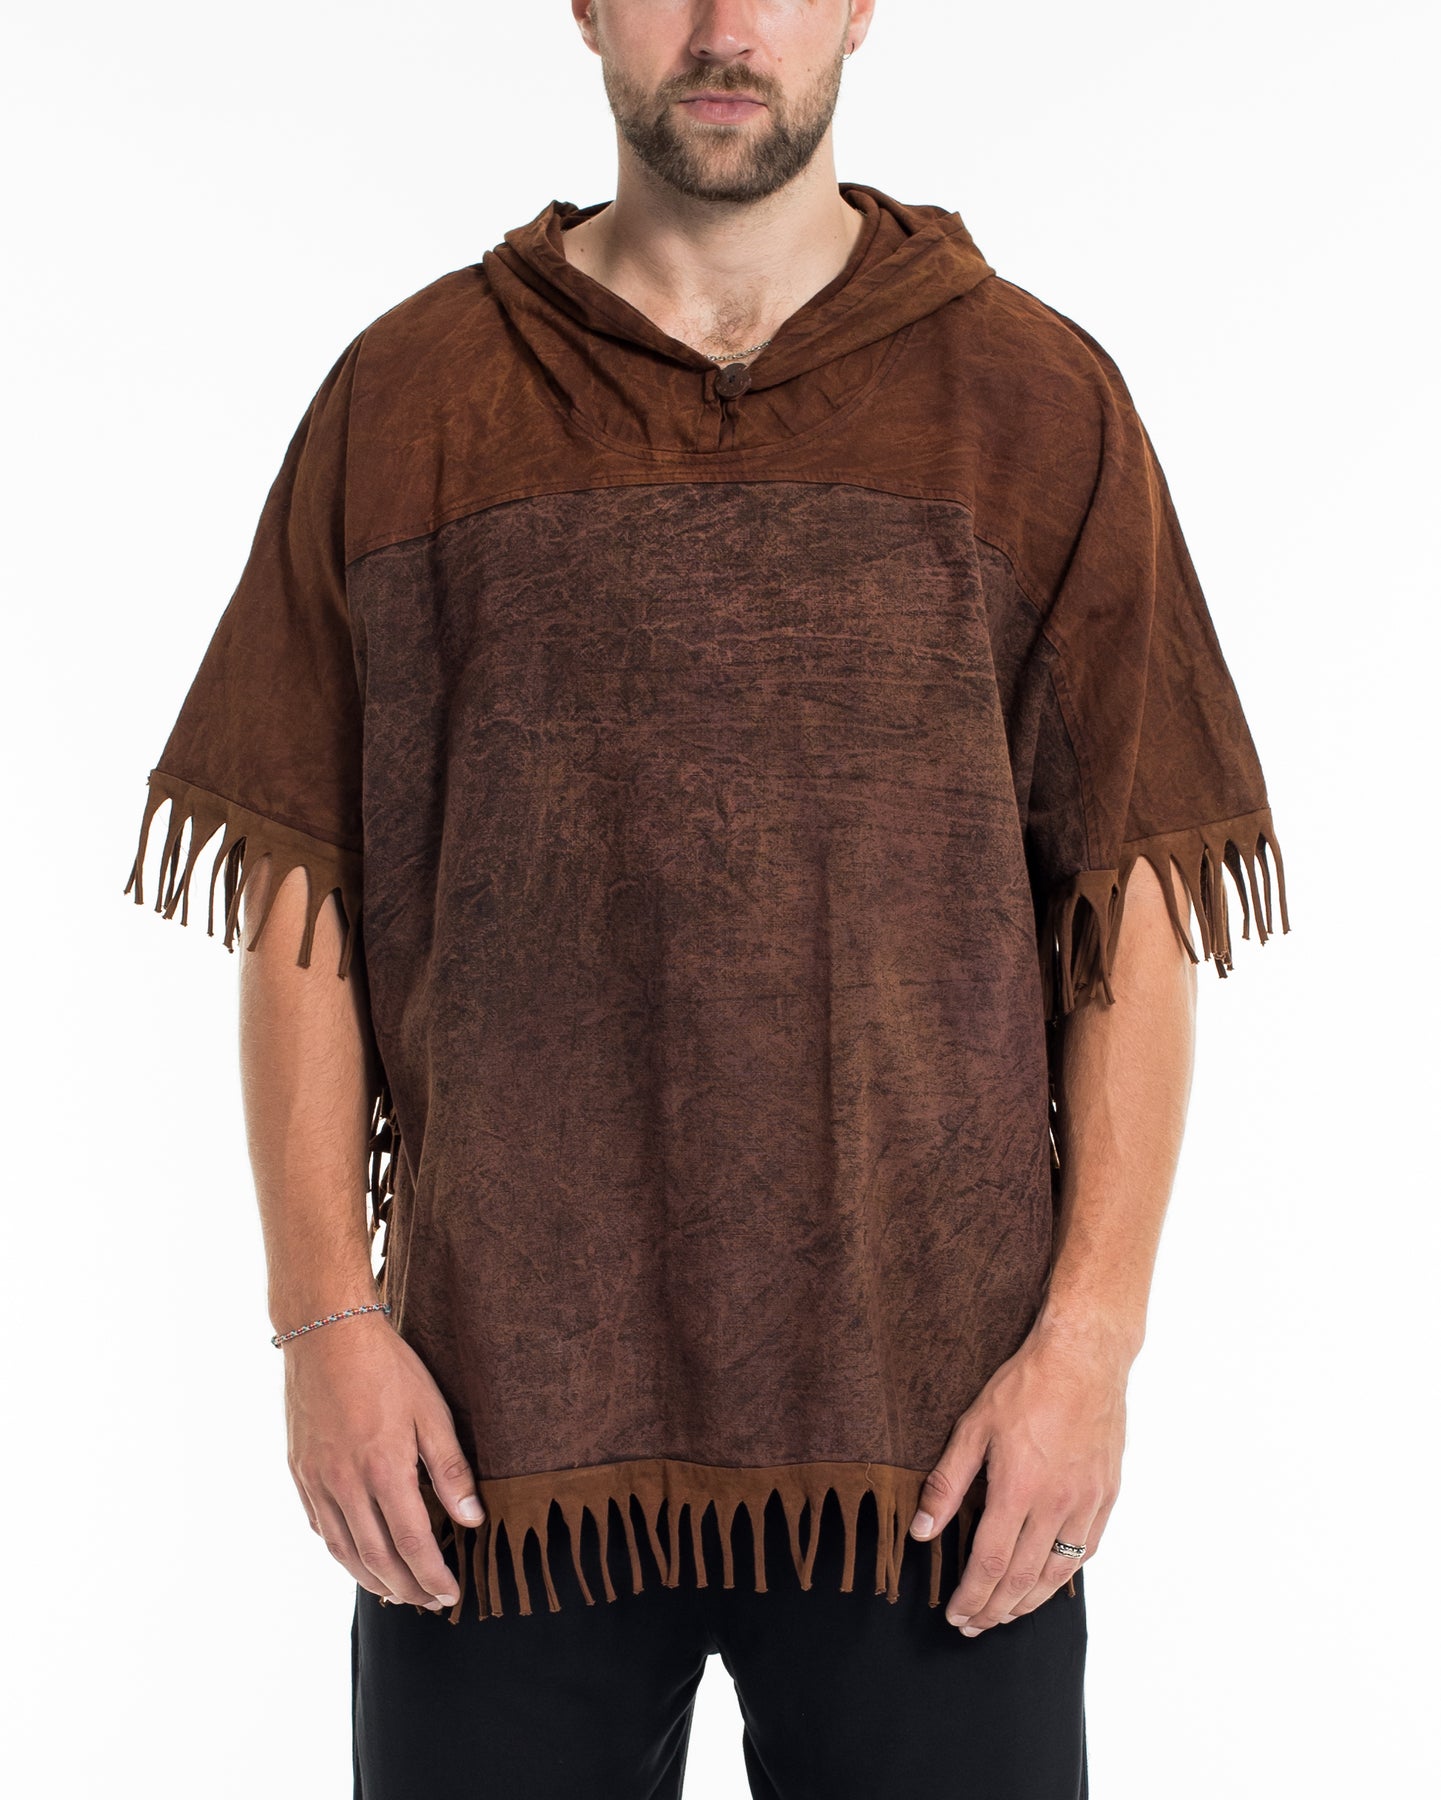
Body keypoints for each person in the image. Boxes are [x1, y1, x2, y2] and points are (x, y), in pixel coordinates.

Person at [123, 3, 1290, 1795]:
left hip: (936, 1447)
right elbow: (304, 879)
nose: (727, 29)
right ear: (586, 6)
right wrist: (326, 1328)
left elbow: (1127, 901)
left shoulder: (1031, 401)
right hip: (493, 1442)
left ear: (860, 7)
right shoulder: (413, 397)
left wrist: (1087, 1351)